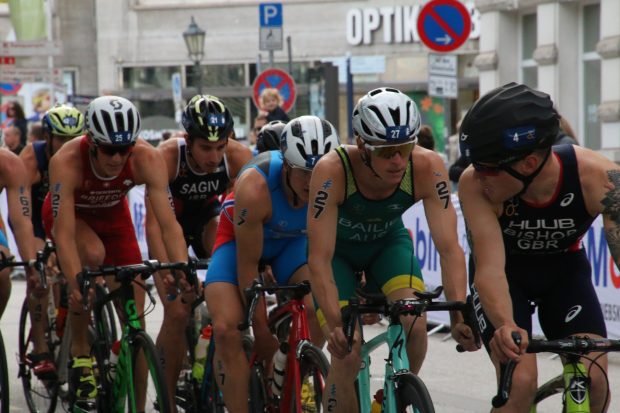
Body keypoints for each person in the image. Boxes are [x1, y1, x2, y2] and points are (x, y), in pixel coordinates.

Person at [307, 87, 477, 412]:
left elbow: (450, 248)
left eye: (405, 147)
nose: (398, 160)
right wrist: (333, 324)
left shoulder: (427, 166)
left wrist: (458, 317)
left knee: (415, 324)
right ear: (362, 145)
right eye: (387, 152)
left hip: (387, 245)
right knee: (349, 349)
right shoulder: (332, 170)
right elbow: (319, 258)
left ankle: (389, 400)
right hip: (337, 256)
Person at [457, 82, 619, 413]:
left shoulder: (600, 179)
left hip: (564, 274)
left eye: (487, 167)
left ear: (528, 163)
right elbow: (488, 268)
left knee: (596, 378)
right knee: (519, 383)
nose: (477, 176)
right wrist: (504, 324)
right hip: (506, 276)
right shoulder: (475, 185)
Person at [44, 95, 189, 409]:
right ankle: (81, 353)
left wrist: (180, 266)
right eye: (110, 149)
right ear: (93, 143)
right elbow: (65, 236)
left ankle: (132, 398)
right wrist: (74, 281)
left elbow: (169, 224)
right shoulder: (67, 161)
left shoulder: (146, 159)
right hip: (73, 218)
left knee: (135, 324)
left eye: (125, 149)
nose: (117, 158)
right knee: (91, 258)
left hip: (112, 216)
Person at [204, 115, 339, 413]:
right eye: (305, 172)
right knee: (227, 328)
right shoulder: (256, 186)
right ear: (287, 166)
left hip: (289, 244)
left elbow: (330, 253)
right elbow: (249, 265)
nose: (313, 181)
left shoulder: (334, 179)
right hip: (238, 245)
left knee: (318, 309)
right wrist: (260, 330)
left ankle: (293, 371)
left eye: (318, 171)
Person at [144, 94, 252, 408]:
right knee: (178, 310)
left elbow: (242, 219)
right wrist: (168, 268)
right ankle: (165, 397)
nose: (214, 157)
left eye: (220, 147)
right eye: (206, 147)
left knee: (222, 234)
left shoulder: (238, 156)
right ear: (188, 140)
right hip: (169, 223)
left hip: (207, 219)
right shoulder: (166, 156)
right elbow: (156, 225)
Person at [20, 104, 85, 379]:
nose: (68, 145)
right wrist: (36, 252)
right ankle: (41, 348)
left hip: (69, 218)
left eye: (74, 139)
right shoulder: (32, 158)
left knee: (82, 275)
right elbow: (20, 208)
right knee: (42, 276)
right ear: (48, 137)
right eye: (62, 139)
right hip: (35, 220)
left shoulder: (83, 156)